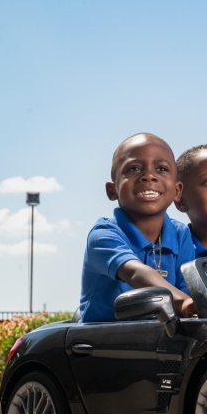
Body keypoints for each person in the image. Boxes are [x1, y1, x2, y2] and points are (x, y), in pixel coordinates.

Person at [78, 133, 197, 322]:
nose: (149, 176)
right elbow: (135, 273)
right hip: (105, 342)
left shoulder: (180, 234)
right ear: (112, 190)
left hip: (163, 341)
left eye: (161, 168)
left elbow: (188, 290)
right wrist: (183, 302)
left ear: (177, 191)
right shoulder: (104, 234)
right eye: (134, 168)